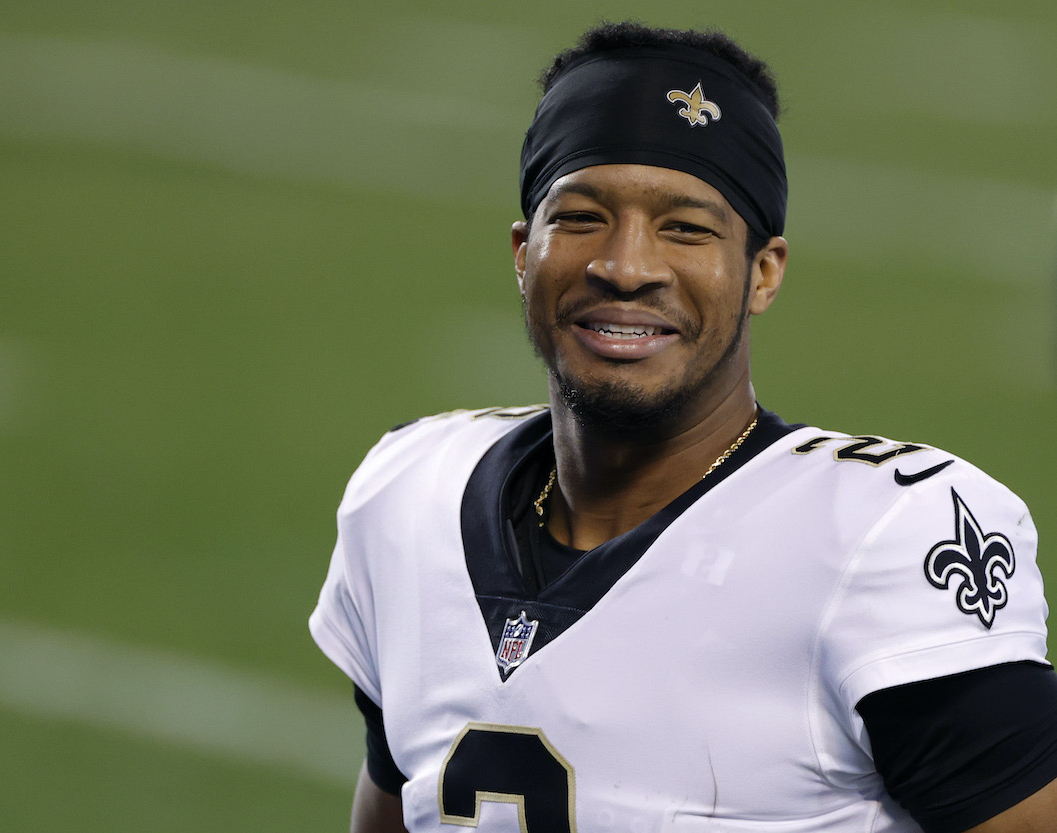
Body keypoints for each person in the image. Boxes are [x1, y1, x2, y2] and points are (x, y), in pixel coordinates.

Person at [309, 21, 1057, 833]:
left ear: (762, 273)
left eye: (687, 228)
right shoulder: (410, 492)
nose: (626, 267)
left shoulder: (877, 539)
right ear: (525, 252)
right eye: (583, 216)